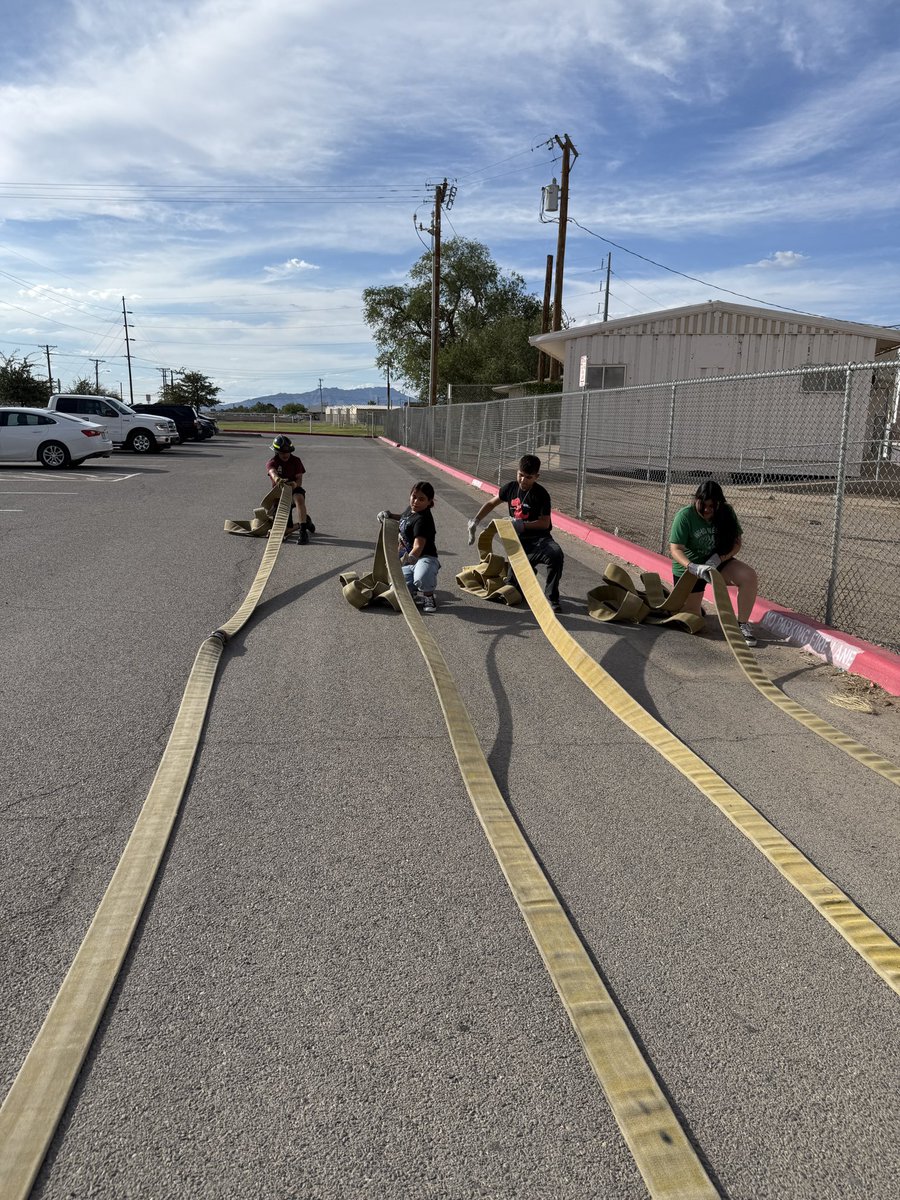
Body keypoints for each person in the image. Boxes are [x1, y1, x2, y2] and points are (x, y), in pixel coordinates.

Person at [467, 453, 564, 612]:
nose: (523, 480)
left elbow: (544, 523)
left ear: (536, 477)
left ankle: (552, 597)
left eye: (528, 477)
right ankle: (524, 575)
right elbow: (491, 503)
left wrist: (522, 525)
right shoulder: (510, 488)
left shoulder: (541, 495)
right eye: (521, 475)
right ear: (516, 472)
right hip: (519, 544)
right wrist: (476, 520)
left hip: (540, 540)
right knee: (512, 591)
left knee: (556, 555)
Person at [669, 478, 759, 645]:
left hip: (717, 562)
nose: (707, 510)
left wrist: (719, 558)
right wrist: (692, 566)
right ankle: (689, 606)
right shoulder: (684, 516)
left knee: (749, 576)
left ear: (719, 504)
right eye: (703, 505)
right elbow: (675, 549)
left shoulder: (727, 512)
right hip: (690, 569)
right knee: (692, 622)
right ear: (696, 500)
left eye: (712, 506)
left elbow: (736, 543)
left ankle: (742, 624)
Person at [377, 481, 441, 613]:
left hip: (424, 558)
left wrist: (410, 558)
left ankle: (428, 596)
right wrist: (389, 515)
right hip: (408, 560)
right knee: (398, 586)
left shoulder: (423, 520)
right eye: (414, 496)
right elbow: (404, 519)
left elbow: (419, 545)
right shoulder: (411, 510)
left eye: (421, 499)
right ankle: (412, 590)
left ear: (429, 502)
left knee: (422, 577)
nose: (416, 501)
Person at [266, 435, 315, 543]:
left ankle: (303, 533)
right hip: (280, 496)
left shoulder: (296, 461)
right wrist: (278, 479)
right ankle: (305, 522)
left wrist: (294, 485)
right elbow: (272, 472)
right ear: (277, 452)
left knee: (299, 498)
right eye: (283, 452)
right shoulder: (272, 462)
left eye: (288, 452)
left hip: (294, 489)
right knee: (283, 531)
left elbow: (299, 481)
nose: (286, 455)